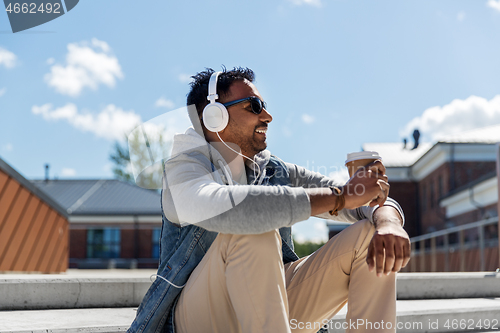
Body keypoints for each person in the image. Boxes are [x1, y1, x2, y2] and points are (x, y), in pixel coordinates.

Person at [128, 67, 410, 333]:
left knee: (369, 235)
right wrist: (340, 197)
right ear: (214, 116)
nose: (268, 116)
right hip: (198, 319)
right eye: (254, 106)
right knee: (254, 229)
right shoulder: (185, 168)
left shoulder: (274, 169)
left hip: (267, 307)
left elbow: (359, 200)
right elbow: (231, 207)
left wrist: (389, 223)